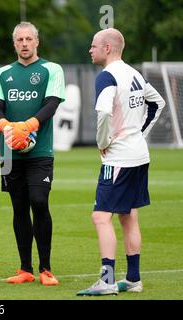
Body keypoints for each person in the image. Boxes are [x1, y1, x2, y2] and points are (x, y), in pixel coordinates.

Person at [77, 28, 165, 296]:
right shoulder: (134, 73)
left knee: (101, 217)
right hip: (139, 155)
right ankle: (134, 279)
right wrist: (139, 133)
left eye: (93, 46)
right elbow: (157, 103)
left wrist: (103, 142)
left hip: (119, 158)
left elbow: (103, 112)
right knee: (129, 216)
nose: (90, 50)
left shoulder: (107, 76)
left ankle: (107, 281)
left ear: (107, 48)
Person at [0, 22, 65, 285]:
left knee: (39, 200)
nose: (24, 43)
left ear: (37, 42)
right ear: (14, 44)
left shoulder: (51, 70)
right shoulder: (2, 74)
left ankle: (46, 269)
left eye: (28, 39)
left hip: (40, 150)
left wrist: (29, 126)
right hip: (10, 154)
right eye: (19, 39)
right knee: (19, 207)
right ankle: (25, 269)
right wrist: (6, 127)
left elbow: (52, 104)